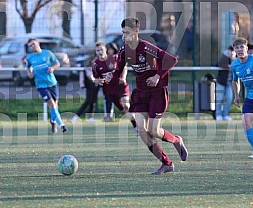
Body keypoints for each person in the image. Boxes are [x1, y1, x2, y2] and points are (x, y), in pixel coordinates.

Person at [114, 17, 188, 174]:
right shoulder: (124, 50)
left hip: (157, 93)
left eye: (126, 33)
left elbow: (171, 60)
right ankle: (166, 163)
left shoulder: (147, 47)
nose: (123, 36)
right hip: (140, 94)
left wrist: (157, 76)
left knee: (154, 131)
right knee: (142, 130)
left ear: (136, 32)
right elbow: (118, 70)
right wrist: (110, 78)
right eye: (122, 33)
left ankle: (176, 140)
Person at [92, 41, 138, 134]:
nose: (100, 52)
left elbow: (124, 66)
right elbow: (96, 79)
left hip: (121, 86)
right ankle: (136, 125)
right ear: (96, 52)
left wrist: (123, 77)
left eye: (101, 49)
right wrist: (98, 81)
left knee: (126, 106)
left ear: (105, 49)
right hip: (110, 91)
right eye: (97, 51)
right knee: (124, 111)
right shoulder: (95, 64)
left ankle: (138, 127)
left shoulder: (114, 58)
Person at [26, 38, 67, 133]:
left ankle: (53, 121)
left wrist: (52, 68)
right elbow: (28, 68)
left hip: (52, 82)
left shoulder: (47, 53)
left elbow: (57, 63)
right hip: (40, 84)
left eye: (33, 44)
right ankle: (62, 125)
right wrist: (30, 73)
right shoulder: (30, 58)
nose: (32, 46)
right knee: (51, 104)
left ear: (38, 43)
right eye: (30, 46)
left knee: (54, 106)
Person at [71, 55, 98, 123]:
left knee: (93, 102)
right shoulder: (86, 68)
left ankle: (90, 117)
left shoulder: (98, 68)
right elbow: (88, 76)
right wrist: (82, 84)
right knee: (88, 101)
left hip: (96, 86)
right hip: (89, 86)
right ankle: (76, 116)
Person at [216, 45, 236, 121]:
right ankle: (218, 115)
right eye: (232, 51)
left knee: (229, 98)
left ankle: (226, 114)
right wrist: (228, 66)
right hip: (221, 82)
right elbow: (218, 64)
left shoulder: (235, 59)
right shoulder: (224, 57)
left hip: (229, 83)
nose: (233, 53)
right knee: (219, 99)